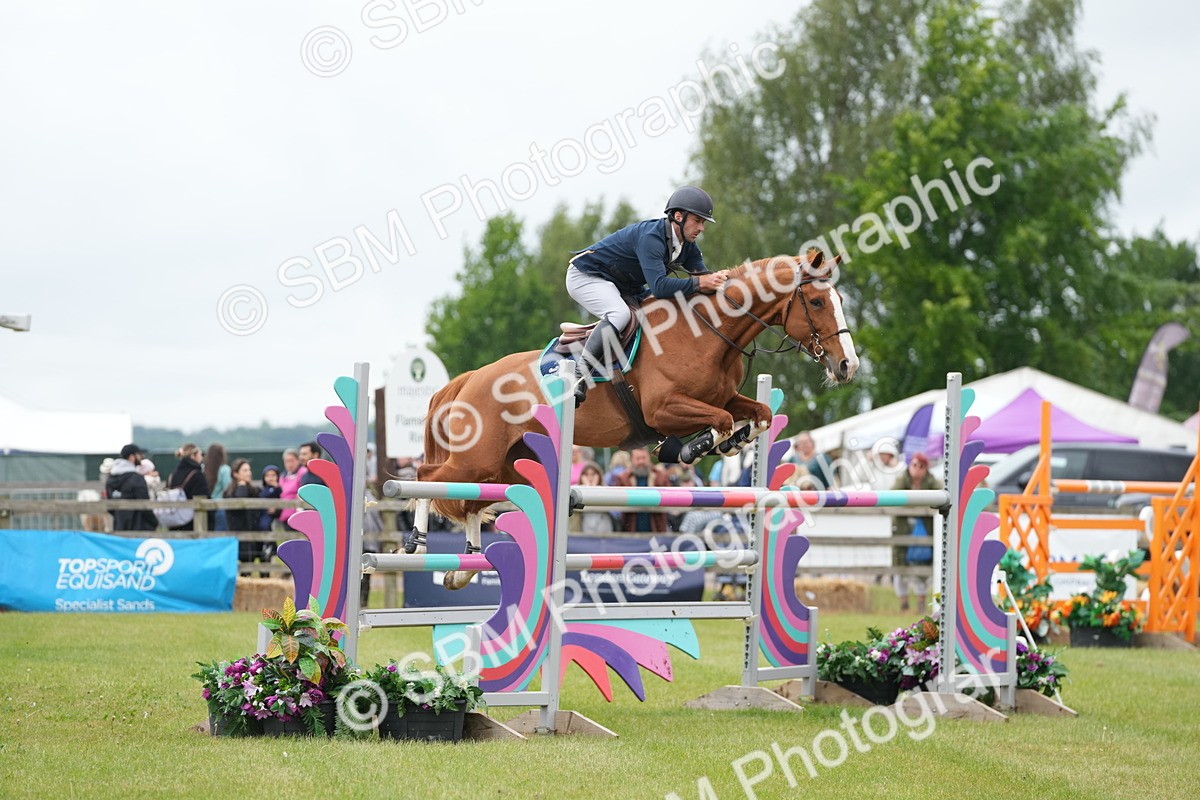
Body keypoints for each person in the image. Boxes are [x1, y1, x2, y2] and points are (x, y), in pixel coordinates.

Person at [565, 186, 728, 406]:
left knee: (656, 312)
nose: (701, 228)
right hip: (585, 276)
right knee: (620, 314)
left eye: (703, 222)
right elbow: (661, 287)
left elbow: (703, 278)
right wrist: (701, 282)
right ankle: (579, 375)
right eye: (697, 221)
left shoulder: (688, 247)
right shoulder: (652, 237)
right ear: (678, 217)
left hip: (622, 285)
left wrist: (722, 281)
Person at [891, 452, 942, 611]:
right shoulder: (902, 479)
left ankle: (921, 602)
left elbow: (941, 498)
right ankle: (903, 603)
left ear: (926, 468)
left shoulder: (932, 482)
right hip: (903, 529)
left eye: (921, 466)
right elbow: (892, 495)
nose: (917, 469)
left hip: (925, 529)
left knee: (923, 566)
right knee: (900, 565)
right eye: (914, 465)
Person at [613, 447, 671, 533]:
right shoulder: (623, 478)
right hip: (631, 529)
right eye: (638, 458)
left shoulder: (661, 476)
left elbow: (669, 499)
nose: (641, 462)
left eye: (643, 458)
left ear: (649, 458)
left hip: (656, 528)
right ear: (632, 460)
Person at [106, 444, 157, 531]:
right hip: (138, 528)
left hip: (119, 526)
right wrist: (154, 521)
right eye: (139, 455)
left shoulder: (110, 479)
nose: (141, 458)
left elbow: (110, 505)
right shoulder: (136, 479)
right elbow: (145, 504)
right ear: (132, 457)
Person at [225, 459, 264, 573]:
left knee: (261, 566)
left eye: (249, 470)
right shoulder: (229, 493)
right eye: (245, 470)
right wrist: (241, 486)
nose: (249, 473)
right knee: (244, 570)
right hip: (239, 535)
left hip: (256, 534)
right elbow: (239, 502)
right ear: (235, 474)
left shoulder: (254, 490)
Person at [166, 444, 209, 532]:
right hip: (193, 524)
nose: (202, 458)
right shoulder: (197, 475)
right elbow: (204, 499)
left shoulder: (172, 475)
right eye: (200, 455)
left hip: (174, 522)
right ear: (193, 456)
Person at [572, 462, 616, 534]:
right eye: (587, 475)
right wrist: (587, 487)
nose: (590, 478)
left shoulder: (606, 488)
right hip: (584, 524)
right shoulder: (577, 488)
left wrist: (594, 487)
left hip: (603, 523)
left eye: (593, 474)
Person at [205, 443, 231, 531]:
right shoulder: (225, 469)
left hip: (207, 508)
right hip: (221, 508)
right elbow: (228, 489)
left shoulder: (205, 470)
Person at [278, 448, 305, 529]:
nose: (289, 464)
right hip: (284, 516)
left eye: (292, 460)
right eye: (287, 461)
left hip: (298, 515)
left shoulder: (303, 473)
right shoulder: (283, 476)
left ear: (298, 460)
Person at [257, 465, 282, 533]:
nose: (270, 478)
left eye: (273, 475)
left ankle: (269, 543)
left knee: (265, 526)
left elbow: (280, 496)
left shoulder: (277, 488)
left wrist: (277, 487)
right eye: (267, 475)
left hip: (269, 514)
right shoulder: (263, 489)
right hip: (261, 513)